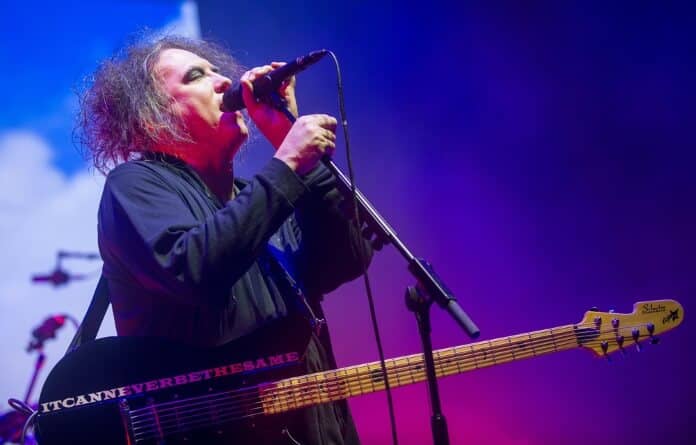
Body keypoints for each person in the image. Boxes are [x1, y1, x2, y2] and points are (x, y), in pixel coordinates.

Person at [79, 35, 372, 444]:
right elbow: (193, 271)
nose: (223, 81)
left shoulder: (258, 198)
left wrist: (294, 146)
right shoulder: (133, 184)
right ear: (152, 120)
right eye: (197, 76)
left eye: (218, 71)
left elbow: (349, 259)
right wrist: (287, 163)